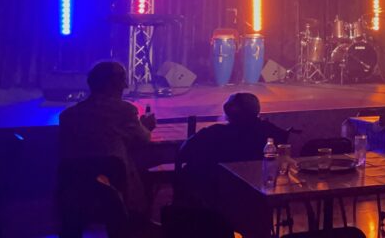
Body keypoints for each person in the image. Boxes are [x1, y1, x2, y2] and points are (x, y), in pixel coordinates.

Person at [58, 61, 156, 219]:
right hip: (114, 189)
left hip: (74, 190)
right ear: (113, 84)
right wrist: (146, 127)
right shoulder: (125, 111)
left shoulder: (68, 116)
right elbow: (144, 138)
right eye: (122, 80)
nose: (125, 86)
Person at [177, 93, 290, 206]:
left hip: (219, 197)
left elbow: (184, 153)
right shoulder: (272, 132)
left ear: (228, 111)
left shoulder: (214, 133)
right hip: (260, 196)